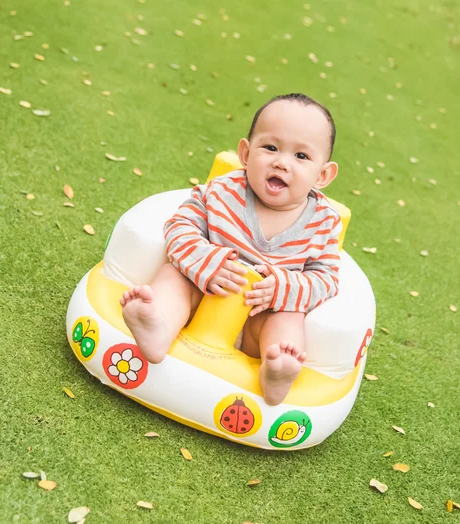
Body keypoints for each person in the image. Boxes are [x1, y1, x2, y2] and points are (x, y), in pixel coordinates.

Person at [120, 93, 342, 405]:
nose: (282, 162)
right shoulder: (221, 192)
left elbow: (326, 279)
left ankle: (276, 369)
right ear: (246, 153)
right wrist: (204, 261)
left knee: (288, 317)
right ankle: (158, 325)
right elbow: (179, 226)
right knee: (175, 275)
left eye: (301, 156)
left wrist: (284, 287)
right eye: (271, 148)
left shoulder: (323, 223)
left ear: (322, 175)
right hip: (203, 299)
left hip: (259, 318)